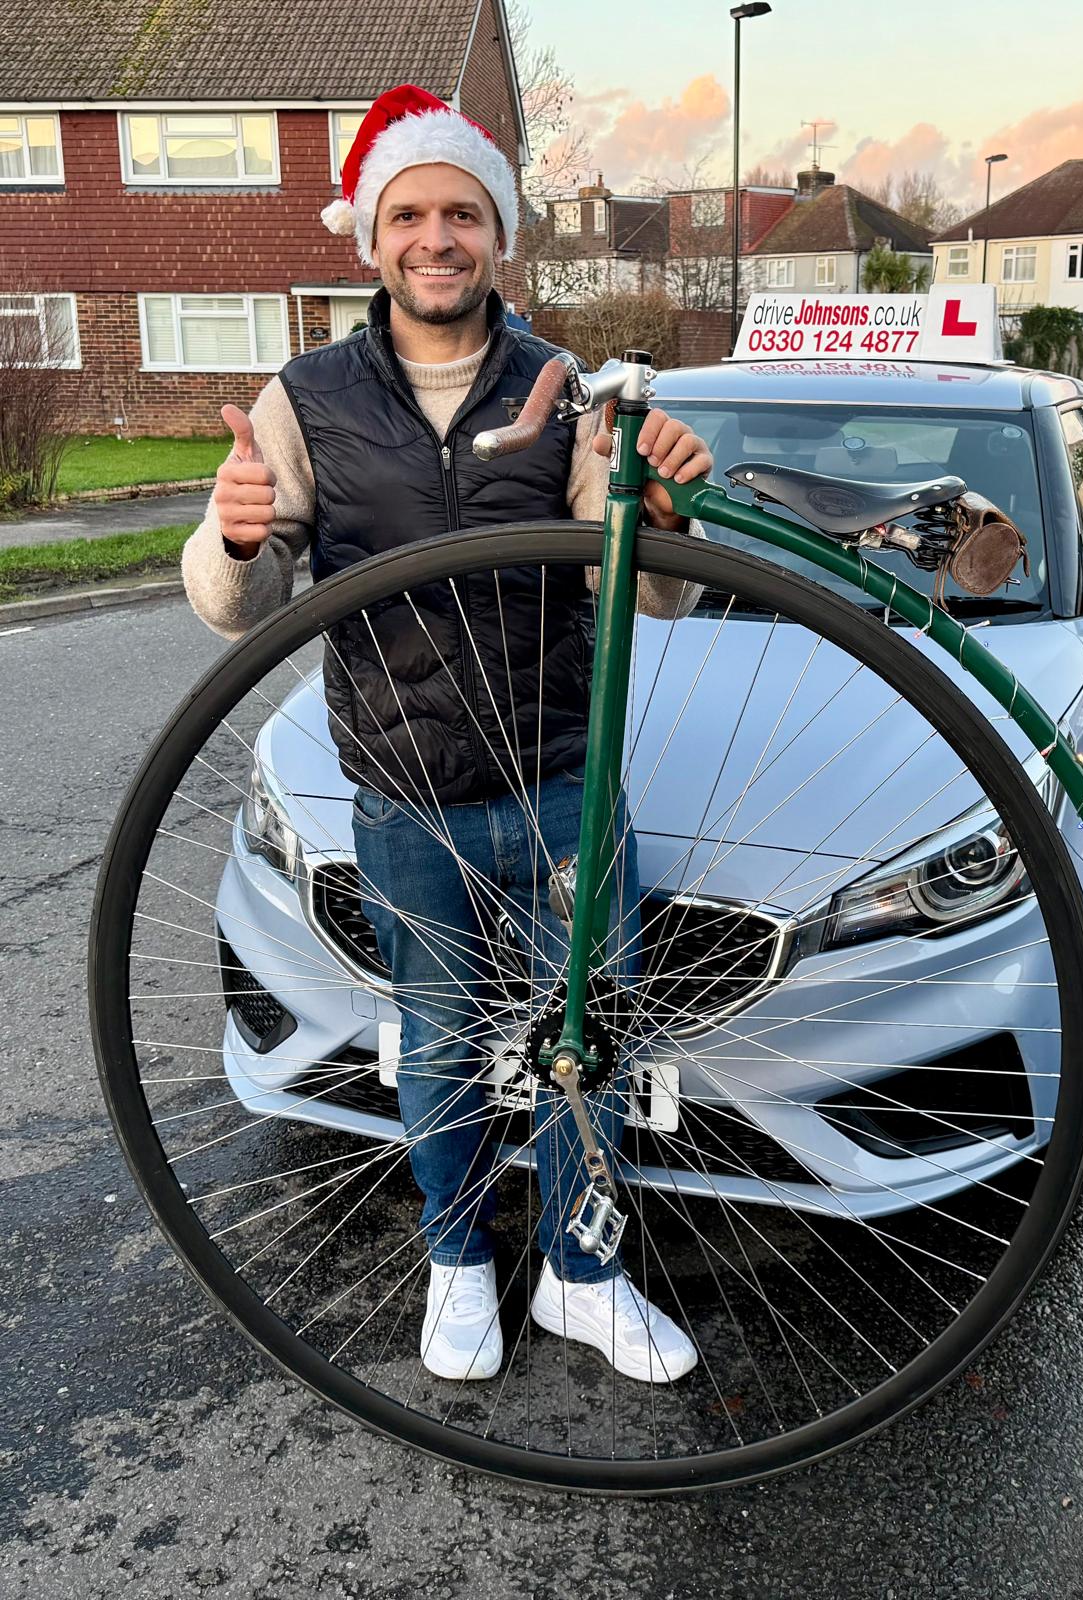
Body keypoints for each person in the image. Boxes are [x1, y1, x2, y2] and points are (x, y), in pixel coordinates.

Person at [182, 83, 709, 1386]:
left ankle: (586, 1277)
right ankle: (460, 1264)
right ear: (371, 239)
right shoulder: (305, 401)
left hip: (560, 786)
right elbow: (234, 606)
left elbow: (642, 590)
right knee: (442, 1046)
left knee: (590, 1042)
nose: (435, 235)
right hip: (407, 799)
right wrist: (236, 527)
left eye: (460, 212)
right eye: (409, 212)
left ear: (496, 234)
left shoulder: (562, 387)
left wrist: (666, 509)